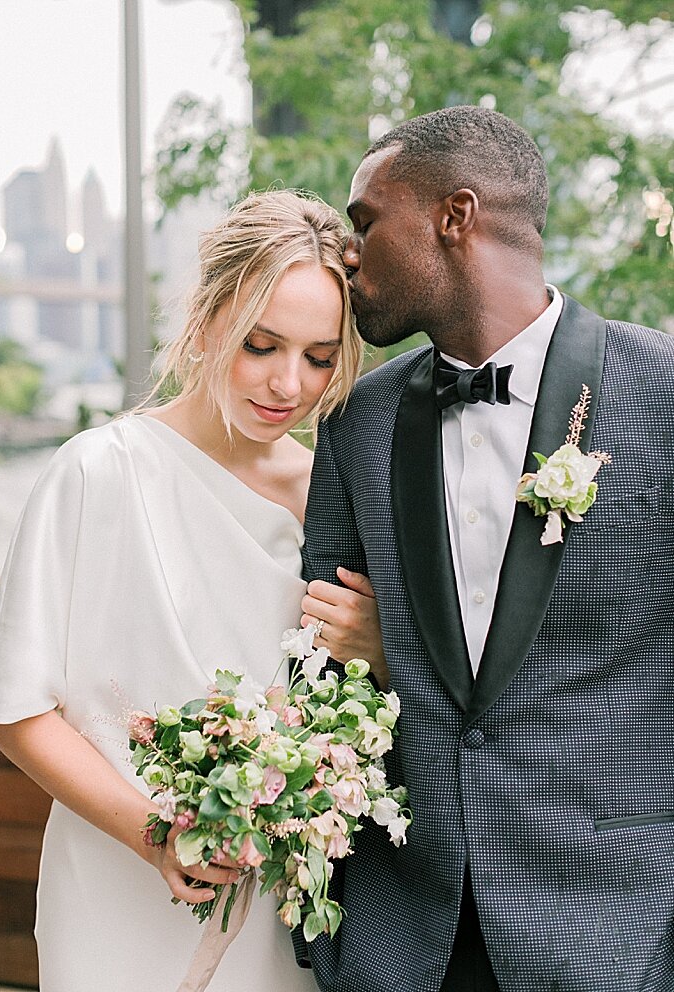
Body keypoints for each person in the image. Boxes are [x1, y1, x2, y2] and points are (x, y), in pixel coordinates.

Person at [300, 105, 674, 992]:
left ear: (454, 217)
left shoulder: (663, 393)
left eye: (365, 221)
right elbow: (323, 672)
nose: (348, 251)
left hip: (615, 929)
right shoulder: (359, 422)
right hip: (408, 933)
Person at [0, 189, 384, 991]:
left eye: (318, 356)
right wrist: (155, 833)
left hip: (275, 896)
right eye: (260, 344)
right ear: (204, 323)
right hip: (112, 884)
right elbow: (15, 712)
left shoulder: (332, 500)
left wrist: (377, 648)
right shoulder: (96, 471)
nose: (287, 383)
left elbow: (374, 711)